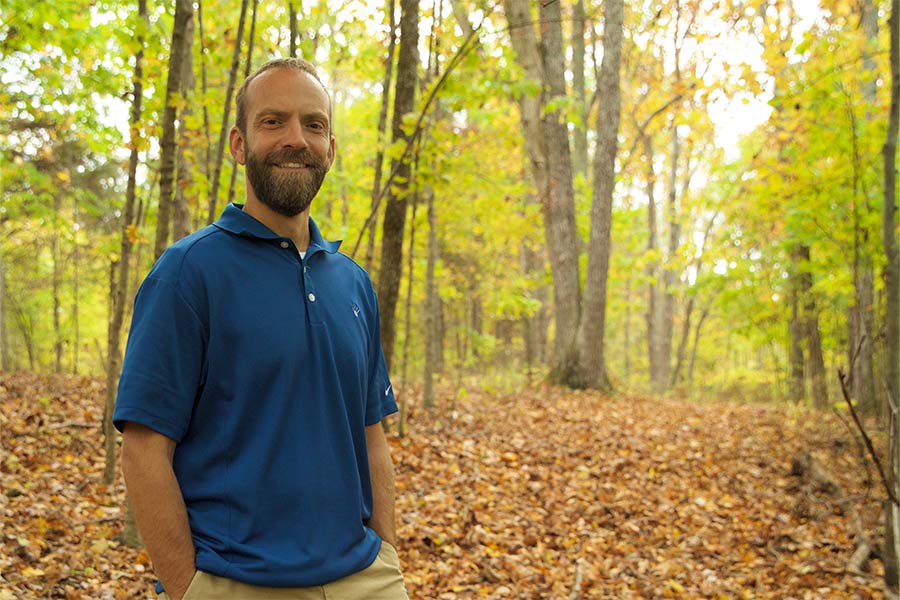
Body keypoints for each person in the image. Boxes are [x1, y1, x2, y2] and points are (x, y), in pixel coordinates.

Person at [113, 57, 408, 600]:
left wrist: (386, 557)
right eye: (273, 121)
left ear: (331, 149)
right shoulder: (188, 273)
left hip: (365, 579)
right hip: (239, 583)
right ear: (239, 144)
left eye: (313, 124)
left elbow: (371, 435)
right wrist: (189, 591)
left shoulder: (352, 284)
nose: (296, 139)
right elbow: (144, 449)